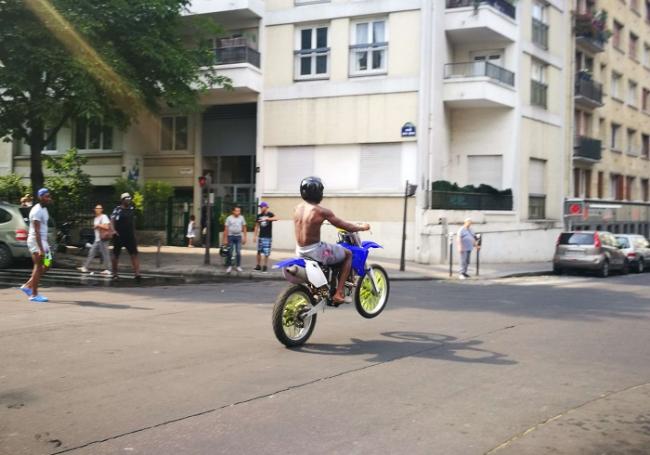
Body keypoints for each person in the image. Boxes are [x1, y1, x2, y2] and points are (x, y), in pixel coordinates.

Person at [294, 176, 370, 305]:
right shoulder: (322, 212)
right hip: (315, 251)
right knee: (348, 254)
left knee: (332, 252)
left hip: (300, 251)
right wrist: (362, 227)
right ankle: (339, 293)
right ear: (319, 192)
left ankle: (322, 287)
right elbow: (345, 226)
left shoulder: (298, 208)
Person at [19, 188, 53, 302]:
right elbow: (37, 232)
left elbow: (43, 229)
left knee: (48, 264)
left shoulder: (44, 210)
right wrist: (41, 249)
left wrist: (45, 244)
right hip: (35, 241)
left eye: (49, 196)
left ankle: (27, 285)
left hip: (43, 241)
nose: (48, 198)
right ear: (40, 197)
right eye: (46, 196)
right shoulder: (36, 211)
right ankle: (34, 295)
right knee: (38, 266)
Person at [111, 193, 141, 280]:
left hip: (130, 236)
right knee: (116, 254)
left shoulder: (132, 209)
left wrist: (135, 234)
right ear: (122, 200)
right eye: (126, 199)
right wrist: (113, 230)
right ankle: (115, 273)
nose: (128, 200)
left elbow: (133, 222)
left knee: (134, 254)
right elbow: (112, 220)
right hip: (119, 235)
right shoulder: (117, 209)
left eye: (129, 199)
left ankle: (137, 273)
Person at [78, 204, 112, 275]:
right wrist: (95, 227)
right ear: (95, 210)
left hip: (103, 239)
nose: (98, 209)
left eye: (100, 208)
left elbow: (107, 226)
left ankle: (108, 269)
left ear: (102, 210)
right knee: (91, 253)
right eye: (97, 208)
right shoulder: (96, 218)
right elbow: (97, 228)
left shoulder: (104, 216)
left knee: (105, 254)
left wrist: (98, 225)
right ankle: (85, 267)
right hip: (97, 239)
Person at [253, 202, 278, 273]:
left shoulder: (270, 214)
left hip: (268, 236)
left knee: (266, 252)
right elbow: (256, 226)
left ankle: (265, 266)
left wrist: (268, 219)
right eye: (260, 207)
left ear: (266, 207)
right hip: (261, 236)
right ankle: (258, 266)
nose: (260, 208)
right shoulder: (259, 215)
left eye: (262, 207)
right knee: (258, 251)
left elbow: (276, 218)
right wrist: (255, 236)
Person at [223, 206, 247, 274]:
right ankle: (229, 266)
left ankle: (238, 266)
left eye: (239, 211)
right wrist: (225, 239)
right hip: (230, 236)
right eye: (236, 211)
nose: (238, 212)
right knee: (230, 252)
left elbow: (244, 227)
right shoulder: (229, 218)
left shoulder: (242, 217)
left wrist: (245, 237)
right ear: (233, 211)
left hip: (238, 237)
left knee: (238, 252)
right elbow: (226, 229)